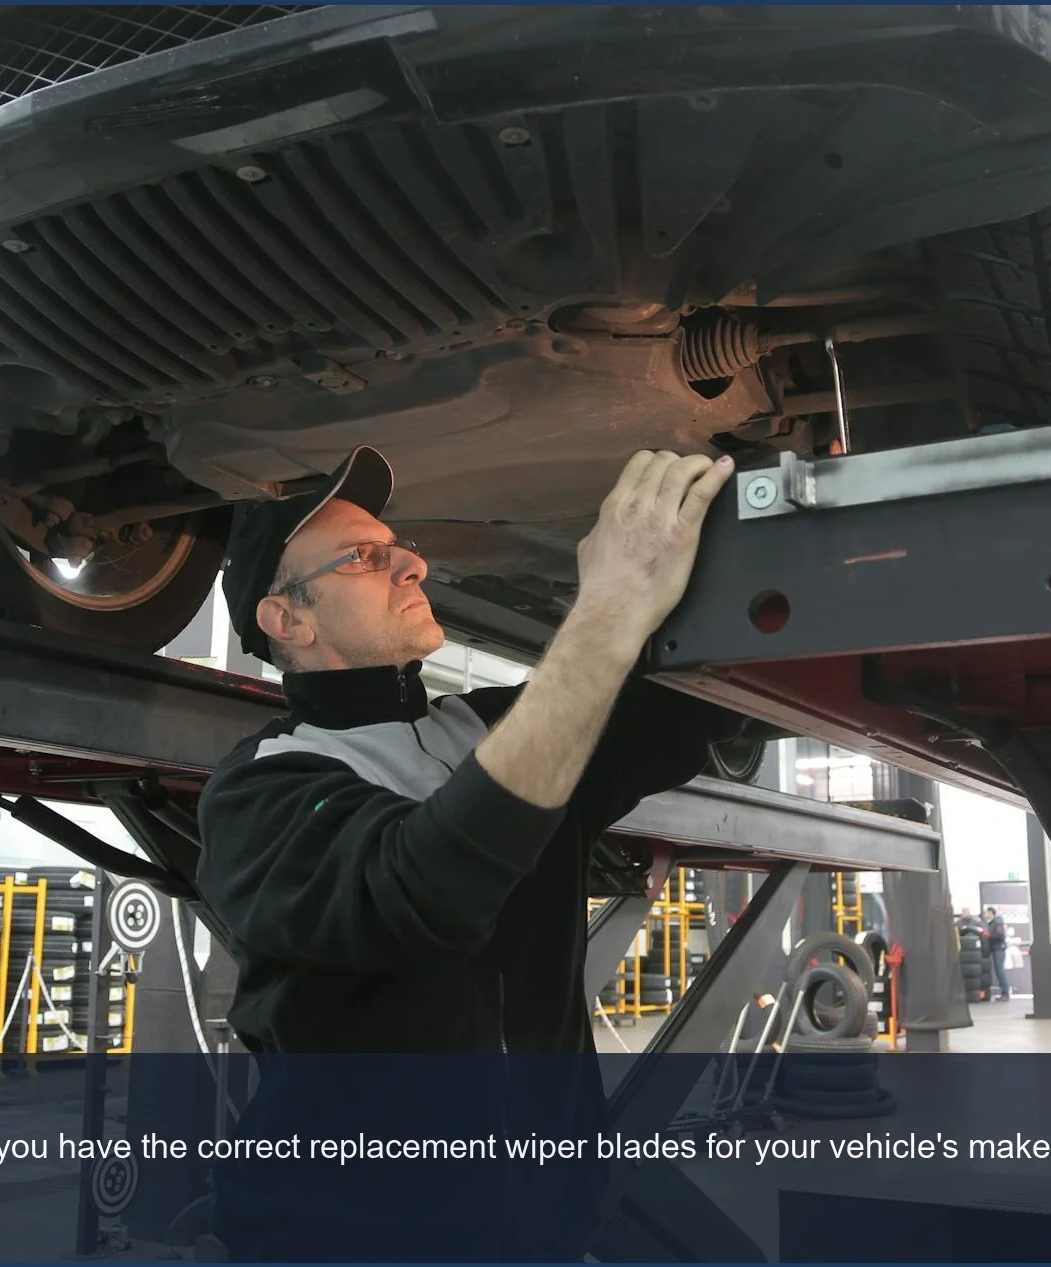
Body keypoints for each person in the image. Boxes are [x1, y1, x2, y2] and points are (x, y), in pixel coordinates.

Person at [194, 444, 760, 1258]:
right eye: (366, 557)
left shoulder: (490, 726)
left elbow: (692, 711)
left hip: (541, 1226)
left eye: (405, 551)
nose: (410, 567)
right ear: (289, 619)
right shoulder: (263, 789)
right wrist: (605, 609)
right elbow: (422, 890)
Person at [985, 906, 1010, 1000]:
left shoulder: (998, 922)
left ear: (991, 913)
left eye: (986, 913)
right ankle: (1004, 993)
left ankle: (1005, 993)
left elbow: (1000, 936)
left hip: (999, 949)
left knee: (1000, 972)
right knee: (999, 972)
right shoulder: (992, 923)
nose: (985, 915)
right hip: (995, 949)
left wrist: (989, 935)